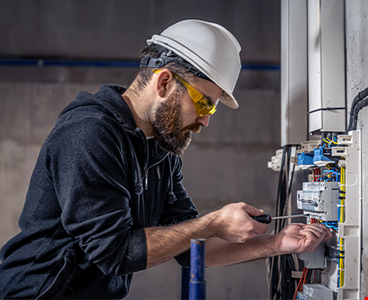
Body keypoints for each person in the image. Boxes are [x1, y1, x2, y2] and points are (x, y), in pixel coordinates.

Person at [0, 19, 331, 299]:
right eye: (204, 104)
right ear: (164, 82)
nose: (205, 121)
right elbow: (115, 252)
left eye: (212, 108)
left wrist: (276, 243)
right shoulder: (89, 134)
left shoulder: (159, 151)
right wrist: (213, 222)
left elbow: (190, 248)